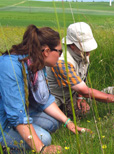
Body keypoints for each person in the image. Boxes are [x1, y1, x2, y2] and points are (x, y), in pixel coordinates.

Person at [0, 25, 89, 154]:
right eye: (59, 51)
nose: (60, 56)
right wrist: (42, 149)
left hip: (15, 112)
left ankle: (22, 137)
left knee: (53, 122)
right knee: (44, 138)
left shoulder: (36, 63)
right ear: (46, 51)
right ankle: (10, 146)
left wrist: (68, 122)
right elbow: (17, 116)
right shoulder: (10, 67)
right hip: (4, 118)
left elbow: (46, 99)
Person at [46, 22, 114, 119]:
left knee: (83, 112)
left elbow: (81, 78)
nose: (88, 52)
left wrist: (80, 98)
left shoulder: (82, 53)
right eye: (85, 47)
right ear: (72, 45)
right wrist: (112, 99)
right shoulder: (62, 62)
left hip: (72, 94)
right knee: (53, 124)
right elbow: (85, 90)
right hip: (55, 101)